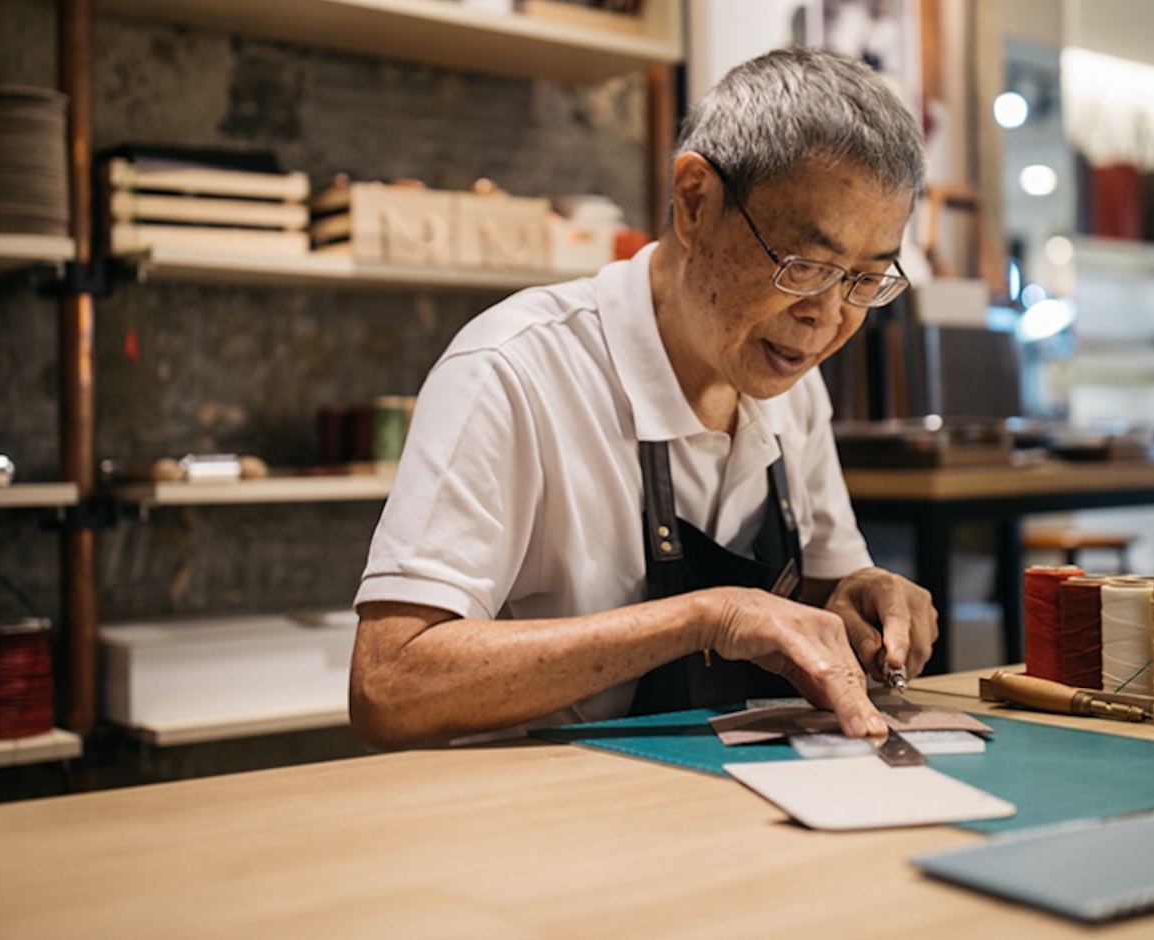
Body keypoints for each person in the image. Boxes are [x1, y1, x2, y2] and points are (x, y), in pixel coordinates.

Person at [351, 46, 936, 750]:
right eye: (804, 266)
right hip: (542, 820)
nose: (828, 316)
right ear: (695, 201)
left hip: (745, 801)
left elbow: (825, 594)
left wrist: (864, 602)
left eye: (865, 280)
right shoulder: (514, 369)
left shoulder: (789, 384)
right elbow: (389, 686)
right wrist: (704, 618)